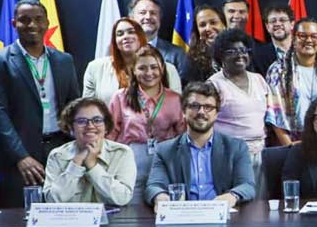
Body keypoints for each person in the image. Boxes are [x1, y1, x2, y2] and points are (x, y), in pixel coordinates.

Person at [0, 0, 82, 207]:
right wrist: (21, 157)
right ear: (14, 24)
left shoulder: (64, 60)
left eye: (38, 19)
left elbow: (74, 107)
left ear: (47, 23)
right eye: (24, 20)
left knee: (64, 213)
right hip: (21, 157)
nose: (32, 25)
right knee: (22, 219)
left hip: (61, 150)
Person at [146, 82, 255, 208]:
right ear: (183, 111)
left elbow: (247, 185)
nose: (201, 112)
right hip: (183, 218)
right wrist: (160, 196)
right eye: (194, 106)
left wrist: (231, 196)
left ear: (217, 114)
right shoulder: (165, 150)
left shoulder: (236, 147)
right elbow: (154, 186)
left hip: (223, 217)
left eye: (208, 107)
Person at [107, 45, 185, 197]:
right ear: (134, 70)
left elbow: (183, 136)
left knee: (161, 203)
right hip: (130, 160)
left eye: (154, 67)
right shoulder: (120, 98)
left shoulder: (175, 99)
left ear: (162, 68)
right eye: (142, 68)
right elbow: (110, 136)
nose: (149, 73)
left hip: (165, 160)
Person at [207, 28, 272, 189]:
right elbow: (205, 123)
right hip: (229, 156)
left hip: (261, 154)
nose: (240, 55)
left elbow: (270, 117)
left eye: (244, 50)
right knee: (236, 204)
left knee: (259, 208)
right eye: (232, 51)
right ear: (220, 55)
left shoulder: (259, 80)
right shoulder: (213, 85)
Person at [42, 97, 136, 206]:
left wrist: (92, 166)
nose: (90, 126)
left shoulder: (122, 153)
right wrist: (75, 165)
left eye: (97, 120)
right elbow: (52, 201)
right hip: (70, 222)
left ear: (106, 126)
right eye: (82, 121)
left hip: (113, 221)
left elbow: (122, 198)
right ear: (71, 127)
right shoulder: (57, 155)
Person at [265, 17, 317, 145]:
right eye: (302, 36)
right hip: (290, 143)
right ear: (294, 39)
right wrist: (289, 147)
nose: (309, 40)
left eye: (314, 36)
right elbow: (274, 113)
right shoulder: (279, 71)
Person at [82, 16, 181, 106]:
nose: (125, 36)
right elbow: (87, 108)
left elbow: (177, 107)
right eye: (120, 34)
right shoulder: (95, 68)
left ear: (141, 37)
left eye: (131, 32)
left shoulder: (168, 69)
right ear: (115, 41)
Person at [128, 0, 188, 79]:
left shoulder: (177, 54)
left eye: (153, 13)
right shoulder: (124, 52)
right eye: (142, 13)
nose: (148, 17)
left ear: (159, 19)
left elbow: (186, 88)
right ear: (131, 19)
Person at [182, 5, 227, 85]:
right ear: (197, 31)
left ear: (224, 25)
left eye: (213, 23)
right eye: (202, 25)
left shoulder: (238, 51)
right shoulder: (192, 60)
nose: (208, 28)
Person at [252, 2, 294, 75]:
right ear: (267, 27)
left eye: (282, 20)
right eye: (273, 21)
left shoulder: (304, 51)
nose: (277, 24)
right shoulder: (257, 56)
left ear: (292, 24)